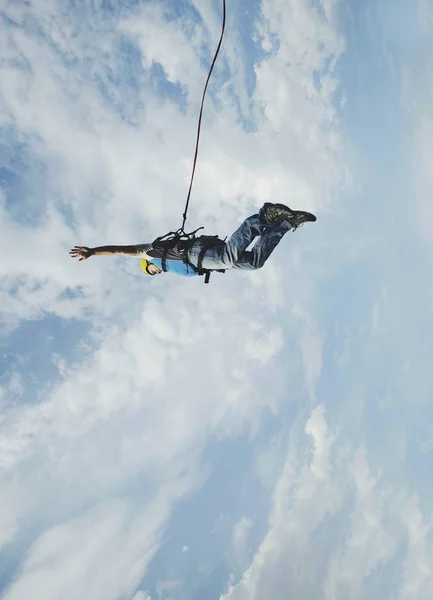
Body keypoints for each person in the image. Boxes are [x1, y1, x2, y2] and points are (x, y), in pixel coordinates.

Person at [69, 202, 316, 280]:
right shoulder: (166, 265)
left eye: (152, 272)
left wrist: (93, 252)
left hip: (198, 253)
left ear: (149, 266)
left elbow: (121, 251)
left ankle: (262, 217)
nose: (156, 272)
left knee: (226, 257)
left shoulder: (150, 254)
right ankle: (284, 222)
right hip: (204, 259)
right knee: (254, 263)